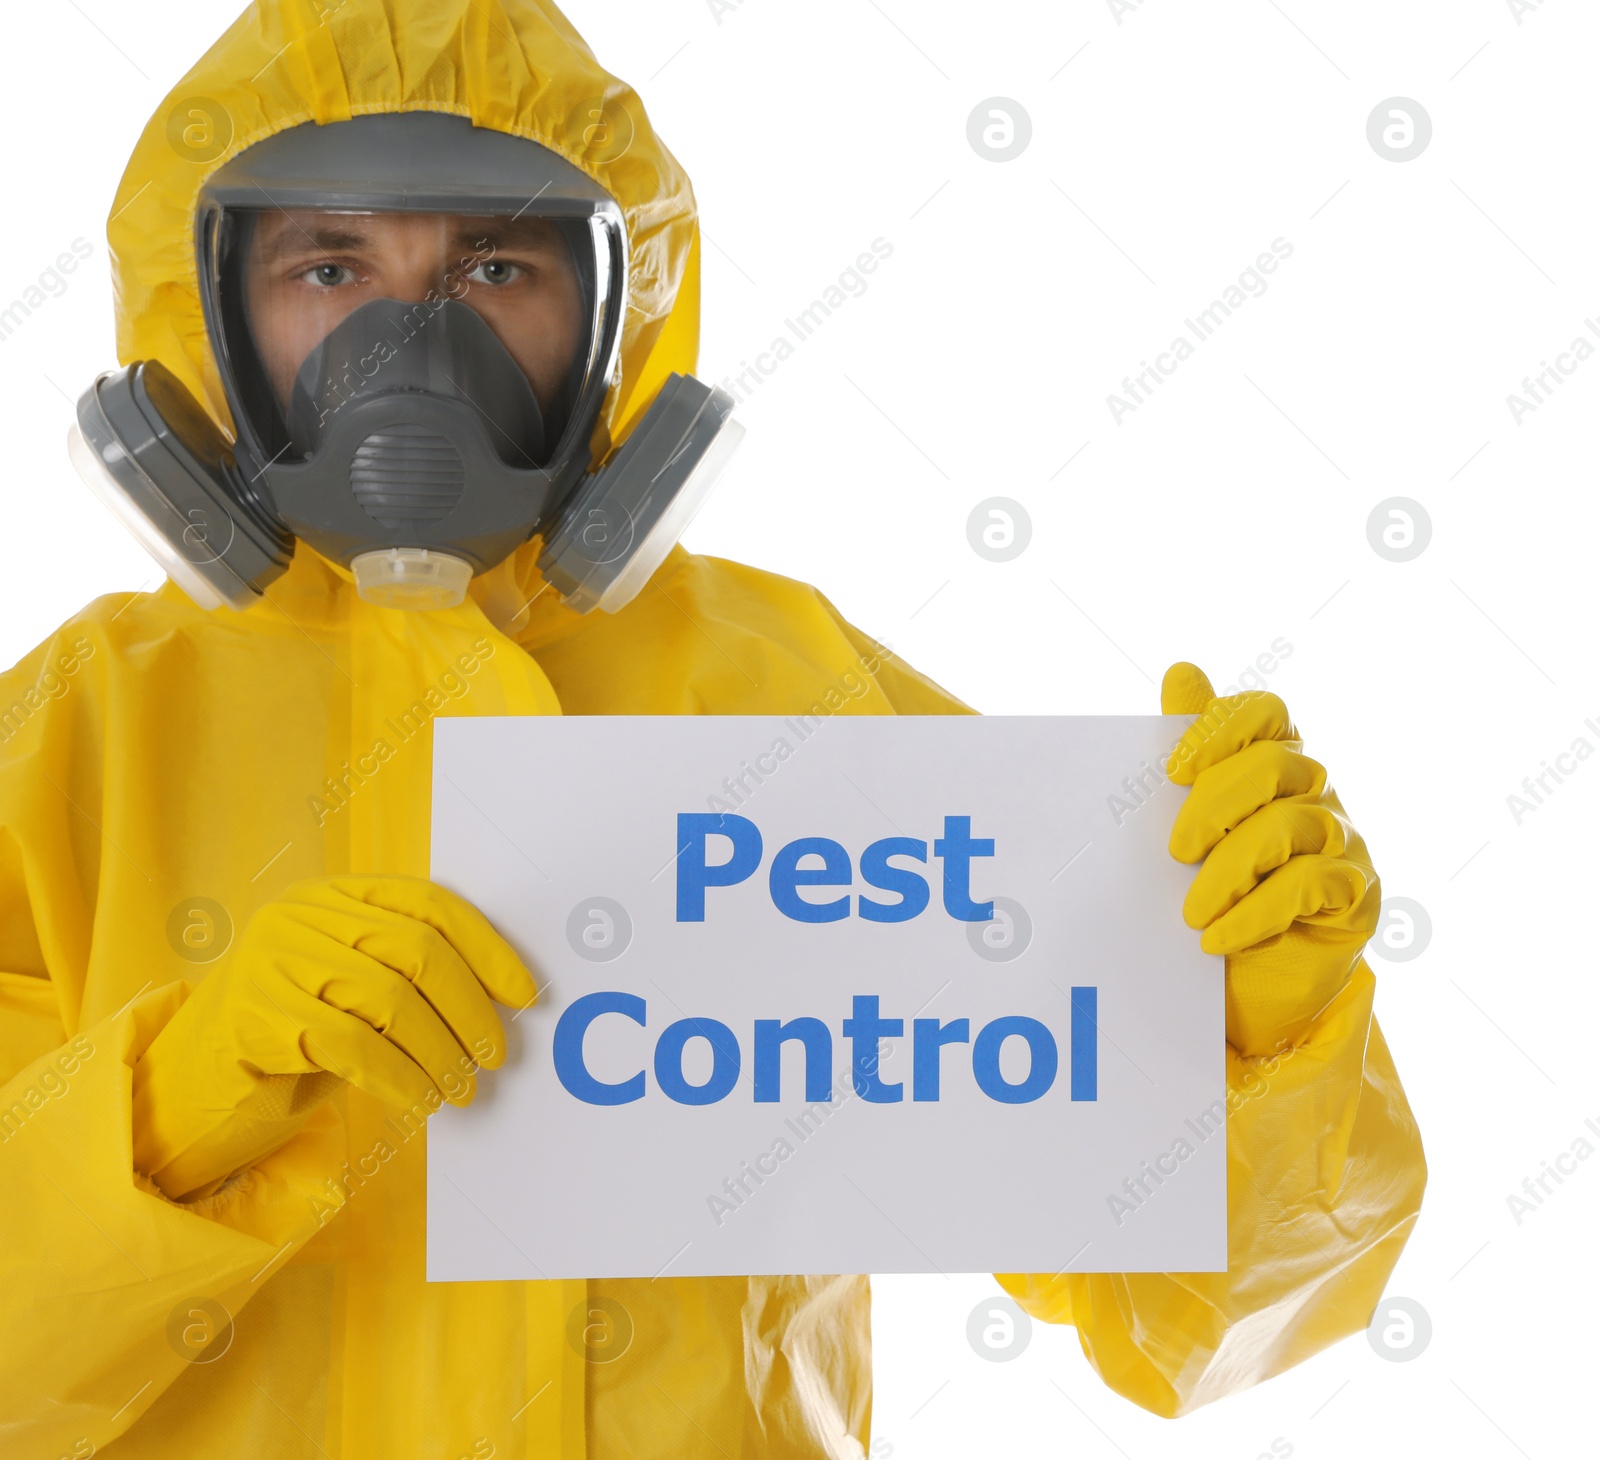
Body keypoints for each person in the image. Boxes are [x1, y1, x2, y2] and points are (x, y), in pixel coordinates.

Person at [0, 1, 1426, 1455]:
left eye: (496, 264)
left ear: (618, 315)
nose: (408, 343)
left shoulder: (788, 695)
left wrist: (1256, 1039)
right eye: (328, 264)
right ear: (209, 312)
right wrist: (172, 1105)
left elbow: (1198, 1320)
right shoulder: (74, 734)